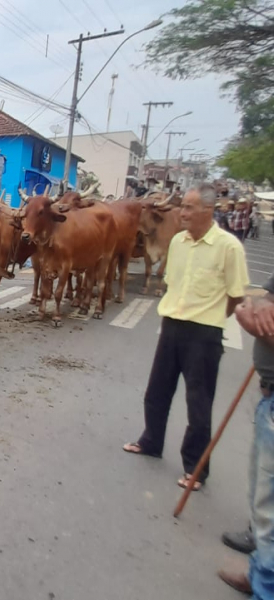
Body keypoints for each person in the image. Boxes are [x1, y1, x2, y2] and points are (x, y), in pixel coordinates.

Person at [122, 184, 249, 489]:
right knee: (157, 390)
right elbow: (172, 282)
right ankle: (151, 441)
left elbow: (235, 295)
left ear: (208, 210)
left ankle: (195, 469)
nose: (182, 213)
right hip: (171, 324)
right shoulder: (177, 242)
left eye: (189, 208)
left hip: (205, 333)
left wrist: (211, 317)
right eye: (183, 207)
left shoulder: (228, 247)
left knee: (199, 403)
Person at [217, 287, 274, 596]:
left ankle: (266, 589)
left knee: (269, 508)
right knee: (261, 499)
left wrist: (256, 321)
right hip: (268, 398)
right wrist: (258, 306)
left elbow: (253, 315)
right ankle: (260, 573)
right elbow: (256, 301)